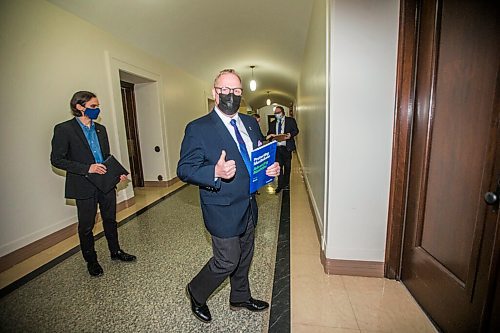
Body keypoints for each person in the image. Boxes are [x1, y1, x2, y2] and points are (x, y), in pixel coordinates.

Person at [177, 69, 280, 323]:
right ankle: (197, 291)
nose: (230, 95)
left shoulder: (249, 123)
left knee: (245, 255)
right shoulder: (198, 128)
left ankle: (240, 297)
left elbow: (256, 156)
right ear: (215, 93)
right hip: (221, 206)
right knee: (227, 260)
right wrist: (215, 171)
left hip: (248, 203)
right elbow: (184, 169)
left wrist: (270, 169)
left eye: (236, 91)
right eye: (225, 90)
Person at [51, 91, 136, 277]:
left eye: (97, 106)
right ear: (79, 107)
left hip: (105, 183)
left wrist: (117, 174)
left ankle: (116, 251)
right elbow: (57, 160)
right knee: (86, 226)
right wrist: (87, 168)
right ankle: (92, 261)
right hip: (83, 184)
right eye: (93, 106)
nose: (97, 110)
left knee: (110, 220)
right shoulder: (64, 129)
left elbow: (105, 158)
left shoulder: (100, 129)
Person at [266, 106, 299, 193]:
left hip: (287, 148)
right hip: (277, 148)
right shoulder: (273, 123)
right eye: (275, 113)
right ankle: (280, 185)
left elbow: (296, 130)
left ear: (283, 112)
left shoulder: (290, 121)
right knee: (279, 167)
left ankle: (286, 184)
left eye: (278, 112)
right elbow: (269, 134)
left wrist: (290, 135)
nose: (277, 114)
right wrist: (272, 137)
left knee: (287, 167)